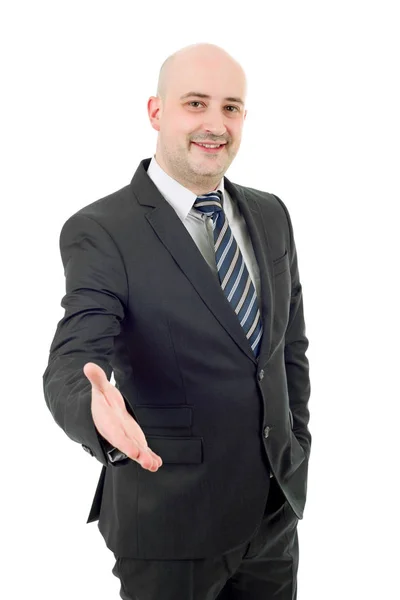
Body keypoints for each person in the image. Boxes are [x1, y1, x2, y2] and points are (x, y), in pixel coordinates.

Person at [43, 42, 311, 600]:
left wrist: (296, 445)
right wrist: (93, 414)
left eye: (231, 107)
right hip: (170, 526)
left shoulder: (271, 214)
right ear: (157, 112)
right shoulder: (102, 229)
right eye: (196, 103)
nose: (215, 124)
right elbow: (74, 360)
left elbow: (289, 349)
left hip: (272, 516)